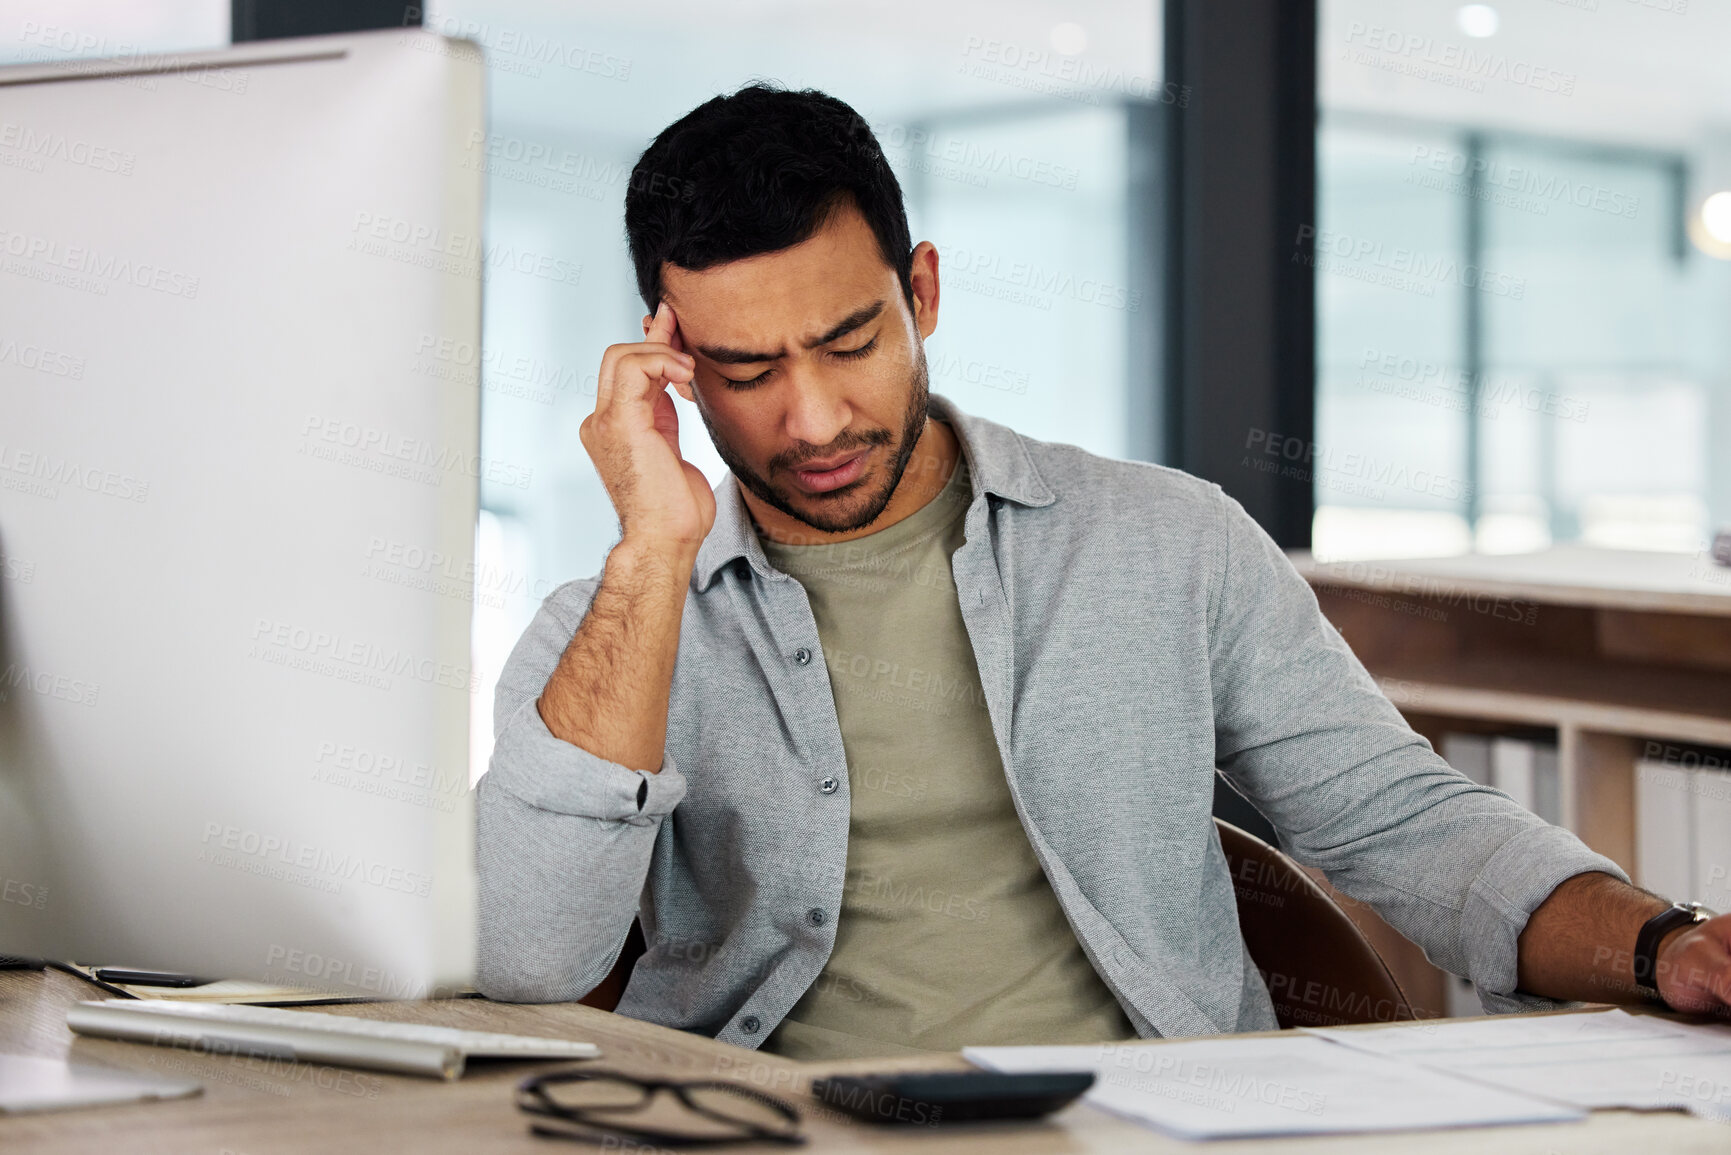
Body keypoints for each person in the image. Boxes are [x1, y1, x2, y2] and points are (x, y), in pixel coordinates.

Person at [474, 83, 1731, 1060]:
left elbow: (1404, 824)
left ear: (920, 293)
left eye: (851, 342)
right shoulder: (614, 624)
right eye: (746, 373)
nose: (810, 421)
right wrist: (651, 551)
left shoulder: (1167, 541)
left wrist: (1663, 945)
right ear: (671, 360)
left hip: (1147, 1125)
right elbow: (527, 958)